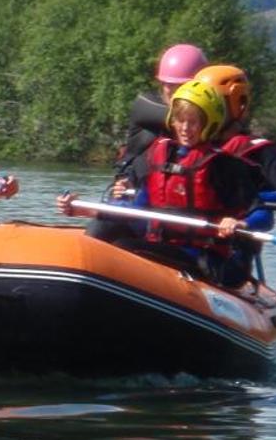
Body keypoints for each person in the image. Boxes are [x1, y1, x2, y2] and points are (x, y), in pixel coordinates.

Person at [61, 77, 263, 289]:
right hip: (165, 245)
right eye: (180, 120)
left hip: (204, 256)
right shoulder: (161, 157)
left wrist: (240, 224)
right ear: (172, 121)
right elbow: (137, 209)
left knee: (125, 247)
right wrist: (84, 210)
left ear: (208, 123)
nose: (185, 128)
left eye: (193, 122)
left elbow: (262, 213)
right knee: (104, 231)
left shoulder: (223, 166)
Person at [194, 63, 276, 204]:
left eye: (212, 105)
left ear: (237, 103)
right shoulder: (191, 145)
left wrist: (250, 197)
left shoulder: (263, 152)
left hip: (240, 222)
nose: (204, 112)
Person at [113, 43, 211, 189]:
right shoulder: (145, 105)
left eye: (179, 85)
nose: (170, 90)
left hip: (177, 192)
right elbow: (180, 116)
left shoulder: (205, 116)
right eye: (167, 84)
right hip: (131, 189)